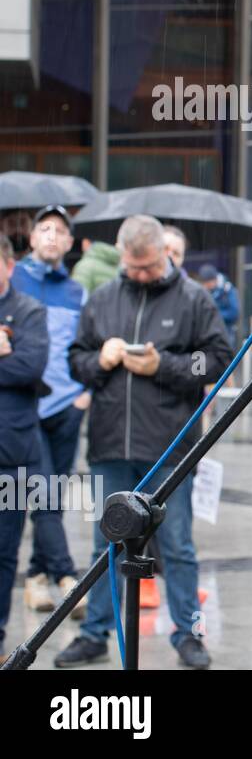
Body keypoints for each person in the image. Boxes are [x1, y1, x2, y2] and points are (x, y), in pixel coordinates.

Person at [55, 215, 233, 669]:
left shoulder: (194, 299)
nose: (140, 275)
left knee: (177, 547)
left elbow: (217, 361)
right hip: (111, 444)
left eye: (149, 266)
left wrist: (164, 367)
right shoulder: (102, 299)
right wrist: (101, 358)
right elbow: (76, 362)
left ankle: (188, 635)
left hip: (170, 449)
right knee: (104, 547)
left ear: (165, 255)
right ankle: (94, 633)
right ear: (120, 253)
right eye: (133, 267)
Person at [11, 205, 90, 620]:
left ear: (70, 243)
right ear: (31, 238)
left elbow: (87, 344)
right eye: (45, 229)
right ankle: (65, 577)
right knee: (40, 494)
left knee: (52, 497)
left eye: (61, 231)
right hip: (27, 407)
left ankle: (37, 577)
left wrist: (84, 394)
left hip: (67, 406)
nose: (52, 236)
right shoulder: (14, 280)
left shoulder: (76, 291)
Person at [0, 234, 49, 658]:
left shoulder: (30, 311)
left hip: (12, 455)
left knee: (3, 552)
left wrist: (11, 356)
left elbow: (31, 365)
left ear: (9, 265)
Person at [196, 264, 240, 347]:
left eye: (207, 283)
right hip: (207, 337)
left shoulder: (227, 290)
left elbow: (234, 313)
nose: (205, 286)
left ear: (214, 280)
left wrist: (214, 314)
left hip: (226, 334)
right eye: (203, 283)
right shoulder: (203, 292)